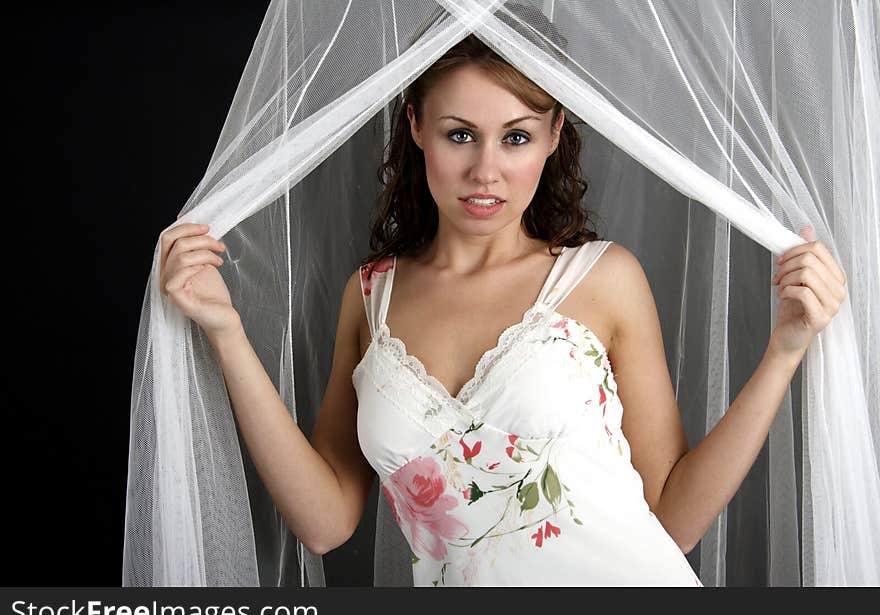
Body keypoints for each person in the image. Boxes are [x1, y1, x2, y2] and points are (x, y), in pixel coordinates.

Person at [157, 35, 847, 586]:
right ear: (417, 127)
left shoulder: (604, 279)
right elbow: (326, 522)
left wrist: (786, 347)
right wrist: (227, 333)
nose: (485, 170)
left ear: (554, 137)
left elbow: (675, 517)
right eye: (461, 134)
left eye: (515, 137)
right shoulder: (370, 295)